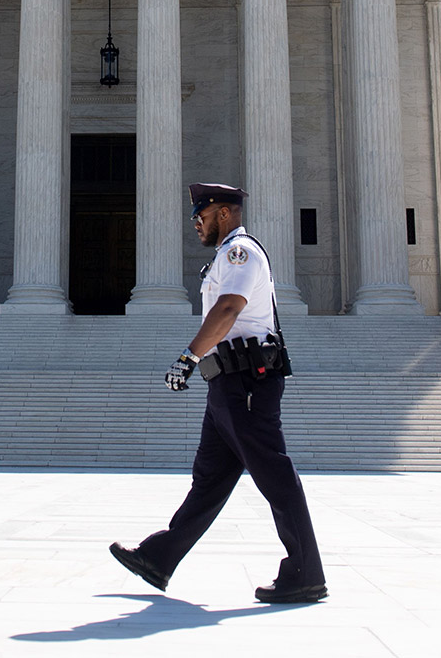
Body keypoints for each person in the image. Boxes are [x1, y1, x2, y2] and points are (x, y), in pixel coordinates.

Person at [109, 182, 327, 604]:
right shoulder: (224, 256)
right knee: (209, 480)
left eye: (201, 217)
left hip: (248, 381)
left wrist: (187, 358)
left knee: (274, 475)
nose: (196, 225)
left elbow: (229, 308)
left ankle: (305, 572)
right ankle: (159, 558)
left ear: (223, 214)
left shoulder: (239, 252)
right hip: (227, 382)